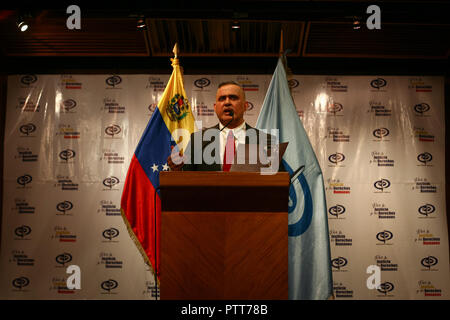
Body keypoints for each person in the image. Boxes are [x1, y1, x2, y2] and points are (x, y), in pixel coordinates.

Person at [168, 81, 282, 172]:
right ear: (215, 107)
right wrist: (177, 169)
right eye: (222, 99)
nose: (227, 102)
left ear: (245, 106)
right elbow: (185, 181)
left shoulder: (265, 140)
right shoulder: (198, 140)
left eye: (233, 98)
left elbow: (279, 181)